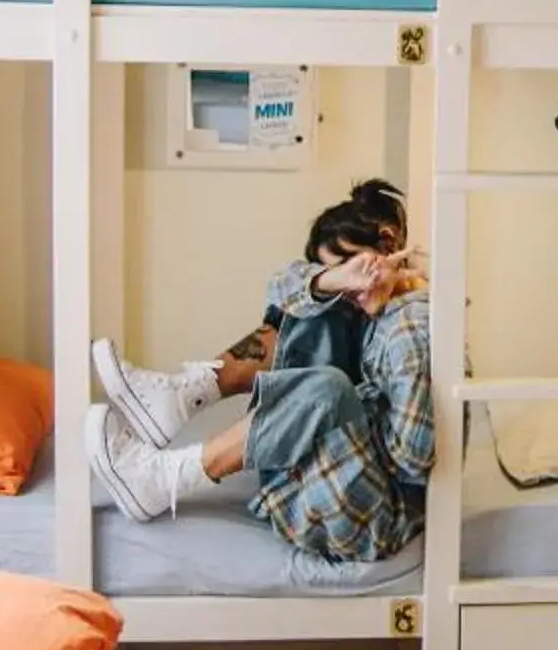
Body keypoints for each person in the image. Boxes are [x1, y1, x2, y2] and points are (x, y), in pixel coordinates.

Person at [87, 180, 436, 564]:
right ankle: (184, 395)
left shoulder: (409, 329)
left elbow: (414, 463)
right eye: (343, 274)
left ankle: (167, 477)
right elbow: (283, 286)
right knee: (314, 312)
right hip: (321, 480)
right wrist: (333, 281)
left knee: (328, 390)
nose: (352, 288)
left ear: (388, 245)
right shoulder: (368, 305)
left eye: (356, 267)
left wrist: (338, 406)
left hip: (368, 515)